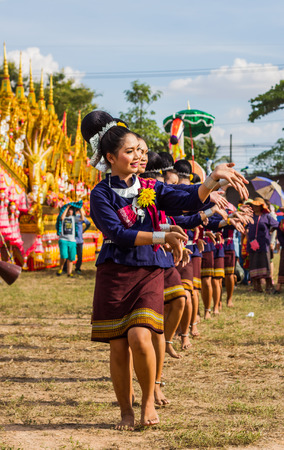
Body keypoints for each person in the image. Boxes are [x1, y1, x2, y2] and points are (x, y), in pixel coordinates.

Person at [81, 110, 248, 430]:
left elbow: (188, 198)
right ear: (110, 157)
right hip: (115, 273)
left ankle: (146, 402)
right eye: (130, 151)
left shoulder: (150, 187)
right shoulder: (100, 194)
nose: (137, 156)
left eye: (140, 151)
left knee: (140, 337)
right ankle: (125, 412)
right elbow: (117, 233)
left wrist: (212, 178)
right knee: (118, 347)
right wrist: (162, 236)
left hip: (149, 270)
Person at [246, 197, 279, 292]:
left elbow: (277, 225)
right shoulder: (250, 216)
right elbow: (245, 227)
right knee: (254, 264)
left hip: (264, 245)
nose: (254, 207)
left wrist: (271, 230)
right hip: (253, 245)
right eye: (253, 205)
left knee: (266, 264)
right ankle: (257, 286)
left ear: (261, 206)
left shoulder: (267, 216)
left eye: (257, 205)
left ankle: (269, 286)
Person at [56, 204, 84, 277]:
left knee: (71, 258)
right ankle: (60, 269)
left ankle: (69, 273)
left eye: (71, 210)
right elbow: (62, 217)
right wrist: (67, 207)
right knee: (64, 256)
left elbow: (82, 218)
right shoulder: (63, 218)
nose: (70, 211)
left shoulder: (73, 218)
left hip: (72, 241)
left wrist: (80, 209)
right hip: (63, 240)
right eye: (69, 210)